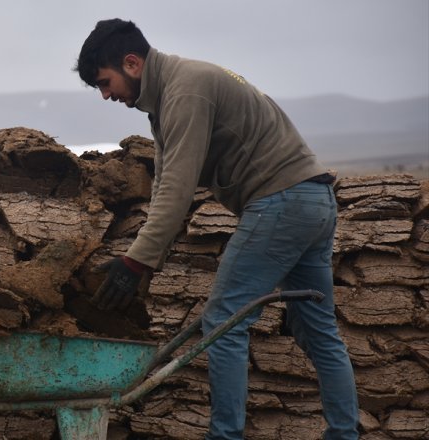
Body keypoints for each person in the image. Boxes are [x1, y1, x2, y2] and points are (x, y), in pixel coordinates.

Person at [78, 18, 359, 439]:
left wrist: (136, 262)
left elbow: (177, 187)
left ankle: (224, 436)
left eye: (105, 82)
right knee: (317, 331)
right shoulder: (171, 92)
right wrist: (147, 257)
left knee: (224, 322)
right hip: (312, 200)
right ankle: (345, 434)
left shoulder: (185, 91)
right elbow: (166, 183)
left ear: (132, 63)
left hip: (281, 203)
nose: (105, 95)